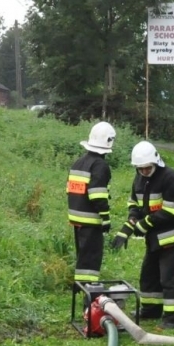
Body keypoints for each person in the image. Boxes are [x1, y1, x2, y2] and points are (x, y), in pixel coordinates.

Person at [112, 141, 174, 328]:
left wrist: (144, 224)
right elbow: (134, 204)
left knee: (170, 279)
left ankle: (173, 318)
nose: (144, 171)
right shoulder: (139, 179)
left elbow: (172, 211)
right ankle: (150, 310)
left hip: (173, 237)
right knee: (149, 276)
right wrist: (129, 226)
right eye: (140, 169)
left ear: (156, 162)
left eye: (147, 168)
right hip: (154, 238)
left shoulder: (172, 178)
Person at [67, 122, 115, 284]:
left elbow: (69, 189)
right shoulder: (100, 165)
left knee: (83, 257)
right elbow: (97, 195)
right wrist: (106, 218)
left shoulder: (78, 162)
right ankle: (90, 292)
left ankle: (81, 288)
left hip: (76, 218)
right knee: (91, 259)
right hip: (91, 220)